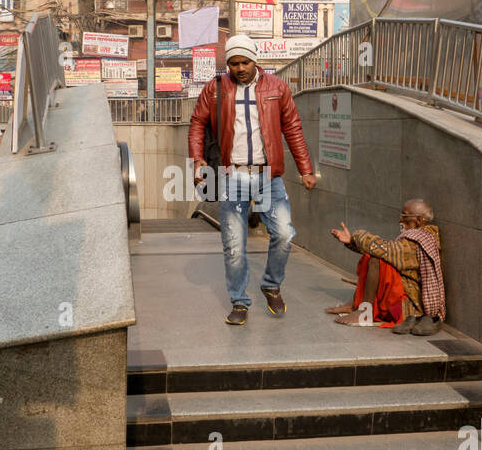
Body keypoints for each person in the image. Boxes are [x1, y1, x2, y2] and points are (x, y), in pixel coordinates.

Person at [188, 33, 316, 326]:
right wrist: (198, 160)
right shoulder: (215, 89)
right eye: (234, 63)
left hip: (267, 176)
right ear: (228, 65)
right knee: (234, 244)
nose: (240, 68)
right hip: (232, 176)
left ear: (255, 60)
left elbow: (293, 128)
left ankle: (271, 284)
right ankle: (239, 301)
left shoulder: (277, 87)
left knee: (284, 234)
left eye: (245, 62)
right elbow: (197, 124)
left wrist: (305, 169)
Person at [329, 199, 446, 336]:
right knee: (371, 256)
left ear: (419, 220)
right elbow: (384, 251)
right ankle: (357, 304)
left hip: (408, 305)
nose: (400, 220)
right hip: (398, 293)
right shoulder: (417, 236)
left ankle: (365, 312)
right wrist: (351, 242)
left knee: (375, 259)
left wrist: (355, 237)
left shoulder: (417, 242)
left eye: (405, 216)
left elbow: (387, 250)